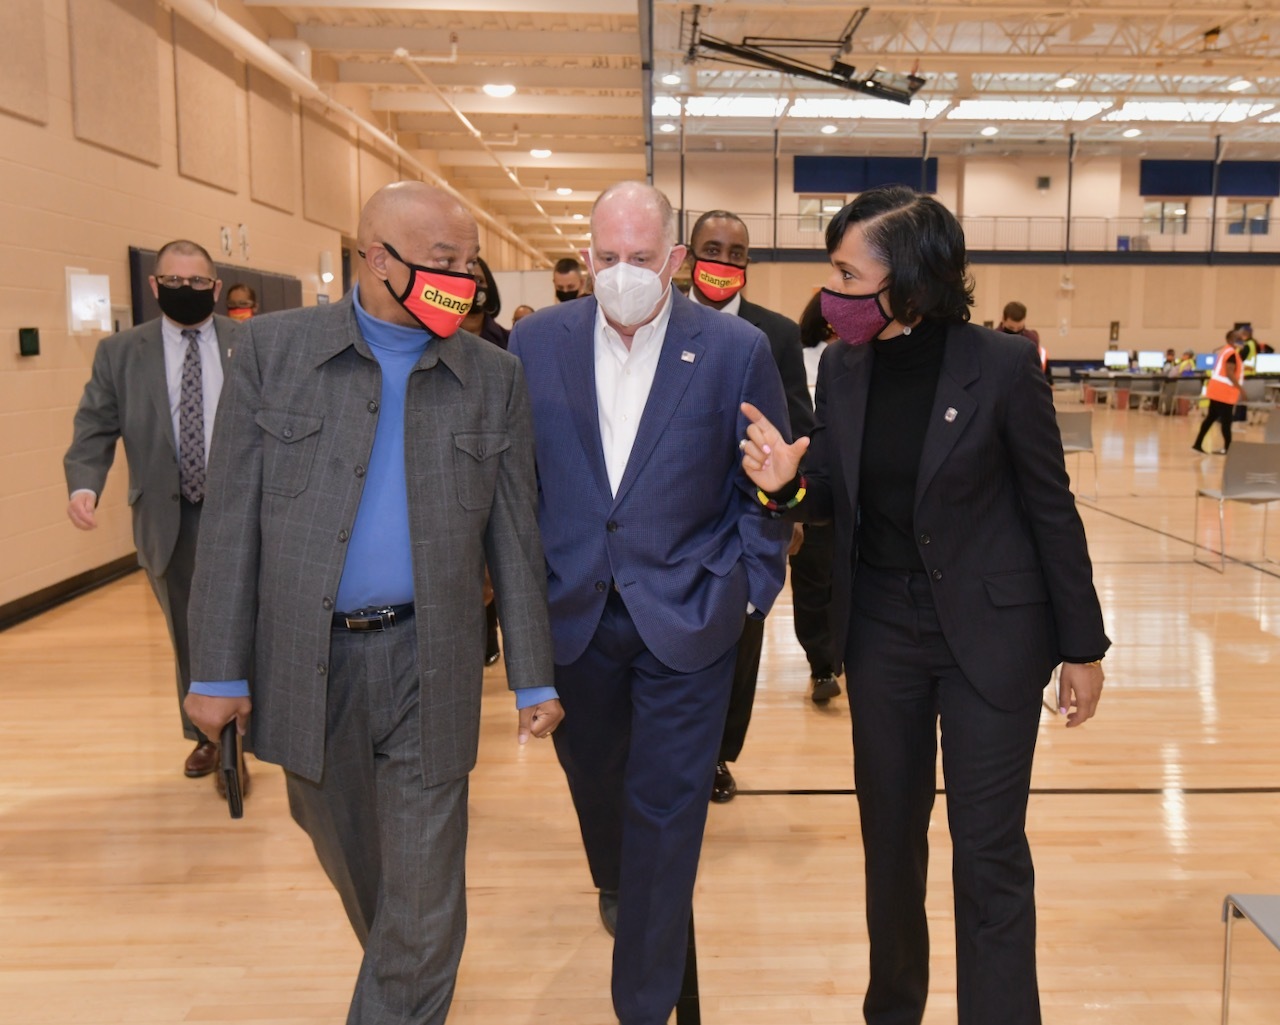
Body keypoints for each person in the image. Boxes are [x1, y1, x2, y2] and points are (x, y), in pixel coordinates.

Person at [182, 181, 562, 1025]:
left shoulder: (490, 376)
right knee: (362, 863)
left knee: (425, 888)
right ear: (376, 257)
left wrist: (534, 676)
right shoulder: (274, 353)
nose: (461, 282)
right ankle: (407, 973)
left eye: (469, 265)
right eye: (442, 264)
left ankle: (402, 992)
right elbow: (230, 525)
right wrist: (215, 667)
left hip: (433, 656)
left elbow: (514, 536)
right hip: (307, 660)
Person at [738, 185, 1109, 1025]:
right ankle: (893, 1010)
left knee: (988, 854)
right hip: (883, 635)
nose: (832, 293)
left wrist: (1082, 647)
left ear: (908, 279)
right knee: (890, 846)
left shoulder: (1004, 365)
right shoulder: (843, 365)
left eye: (847, 272)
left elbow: (1052, 507)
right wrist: (785, 485)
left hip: (991, 636)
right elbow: (831, 488)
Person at [509, 180, 790, 1025]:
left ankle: (644, 1001)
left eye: (640, 258)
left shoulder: (737, 349)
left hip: (689, 616)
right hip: (575, 618)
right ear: (585, 255)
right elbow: (515, 489)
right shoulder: (534, 343)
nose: (621, 273)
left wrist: (749, 590)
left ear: (674, 259)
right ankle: (622, 887)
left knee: (668, 815)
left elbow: (769, 484)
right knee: (602, 797)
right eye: (606, 257)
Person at [64, 239, 242, 787]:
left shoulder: (251, 342)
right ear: (153, 285)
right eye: (174, 281)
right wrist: (84, 486)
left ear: (215, 287)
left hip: (243, 511)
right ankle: (210, 740)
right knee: (190, 631)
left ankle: (253, 730)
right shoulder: (121, 353)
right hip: (172, 519)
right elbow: (95, 426)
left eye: (196, 283)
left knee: (254, 622)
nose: (184, 290)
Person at [684, 209, 815, 801]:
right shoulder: (657, 319)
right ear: (688, 257)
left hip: (743, 516)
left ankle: (717, 755)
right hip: (670, 516)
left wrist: (787, 509)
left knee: (740, 643)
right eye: (713, 248)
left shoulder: (776, 334)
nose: (725, 260)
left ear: (748, 264)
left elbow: (797, 425)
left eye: (737, 252)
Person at [791, 292, 843, 703]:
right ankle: (822, 665)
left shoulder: (863, 356)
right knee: (811, 579)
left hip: (852, 486)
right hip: (809, 483)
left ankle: (843, 654)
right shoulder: (798, 357)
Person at [1192, 329, 1245, 454]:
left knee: (1211, 418)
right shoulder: (1231, 353)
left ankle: (1198, 444)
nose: (1241, 339)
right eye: (1237, 337)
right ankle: (1228, 449)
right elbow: (1229, 373)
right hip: (1224, 393)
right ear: (1230, 340)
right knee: (1226, 422)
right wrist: (1241, 389)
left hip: (1216, 390)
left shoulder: (1225, 351)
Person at [459, 255, 509, 349]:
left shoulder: (508, 340)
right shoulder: (435, 339)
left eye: (479, 281)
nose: (473, 286)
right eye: (467, 280)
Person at [999, 299, 1045, 373]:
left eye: (1019, 328)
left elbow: (1036, 368)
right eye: (1011, 328)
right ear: (1003, 320)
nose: (1015, 331)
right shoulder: (993, 338)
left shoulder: (1031, 338)